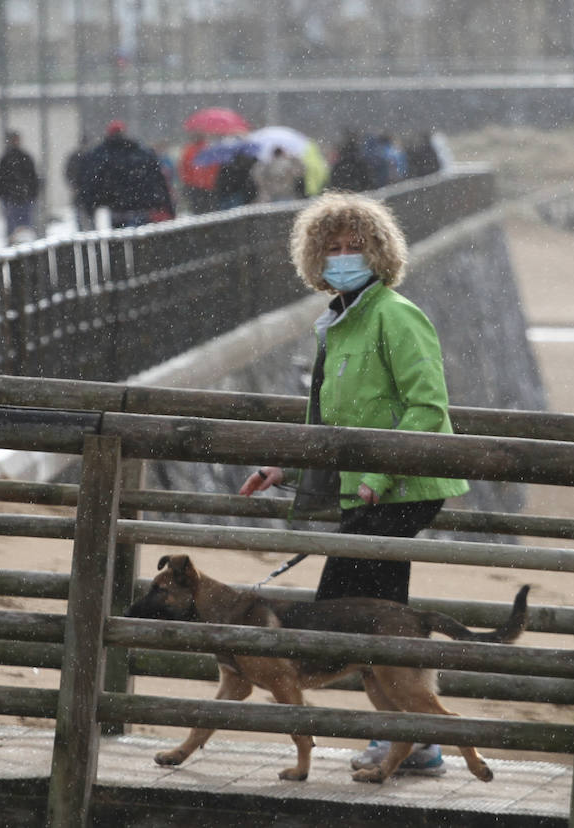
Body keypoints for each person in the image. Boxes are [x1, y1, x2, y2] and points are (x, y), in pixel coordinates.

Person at [237, 191, 469, 777]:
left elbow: (428, 407)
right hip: (367, 487)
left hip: (402, 489)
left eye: (355, 246)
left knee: (354, 618)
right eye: (333, 247)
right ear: (316, 258)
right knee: (366, 618)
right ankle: (411, 737)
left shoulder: (396, 314)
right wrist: (285, 467)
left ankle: (412, 739)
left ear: (379, 252)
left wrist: (377, 475)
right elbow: (330, 422)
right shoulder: (339, 322)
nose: (343, 257)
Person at [80, 120, 176, 229]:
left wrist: (91, 205)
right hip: (141, 208)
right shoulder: (140, 151)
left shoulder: (100, 155)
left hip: (117, 210)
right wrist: (164, 204)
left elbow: (91, 182)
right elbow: (157, 179)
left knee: (121, 237)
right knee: (142, 236)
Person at [0, 129, 40, 243]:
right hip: (11, 199)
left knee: (25, 230)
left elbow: (33, 178)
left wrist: (31, 194)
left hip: (24, 199)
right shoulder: (5, 159)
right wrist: (5, 195)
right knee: (13, 230)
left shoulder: (25, 157)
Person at [177, 134, 219, 214]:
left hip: (196, 186)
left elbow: (183, 169)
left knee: (199, 210)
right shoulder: (208, 149)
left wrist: (189, 181)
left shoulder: (189, 151)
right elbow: (214, 167)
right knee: (209, 210)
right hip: (206, 186)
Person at [63, 134, 97, 231]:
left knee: (82, 218)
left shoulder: (78, 157)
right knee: (86, 218)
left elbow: (68, 172)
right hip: (86, 192)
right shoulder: (91, 156)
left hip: (83, 192)